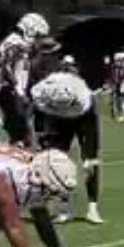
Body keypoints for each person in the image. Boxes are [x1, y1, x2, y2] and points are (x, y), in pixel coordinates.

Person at [30, 68, 103, 224]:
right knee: (56, 159)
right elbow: (37, 113)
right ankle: (64, 208)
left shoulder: (84, 98)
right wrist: (41, 134)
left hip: (85, 117)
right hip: (57, 116)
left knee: (90, 161)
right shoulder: (41, 91)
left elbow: (88, 116)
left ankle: (92, 208)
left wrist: (89, 153)